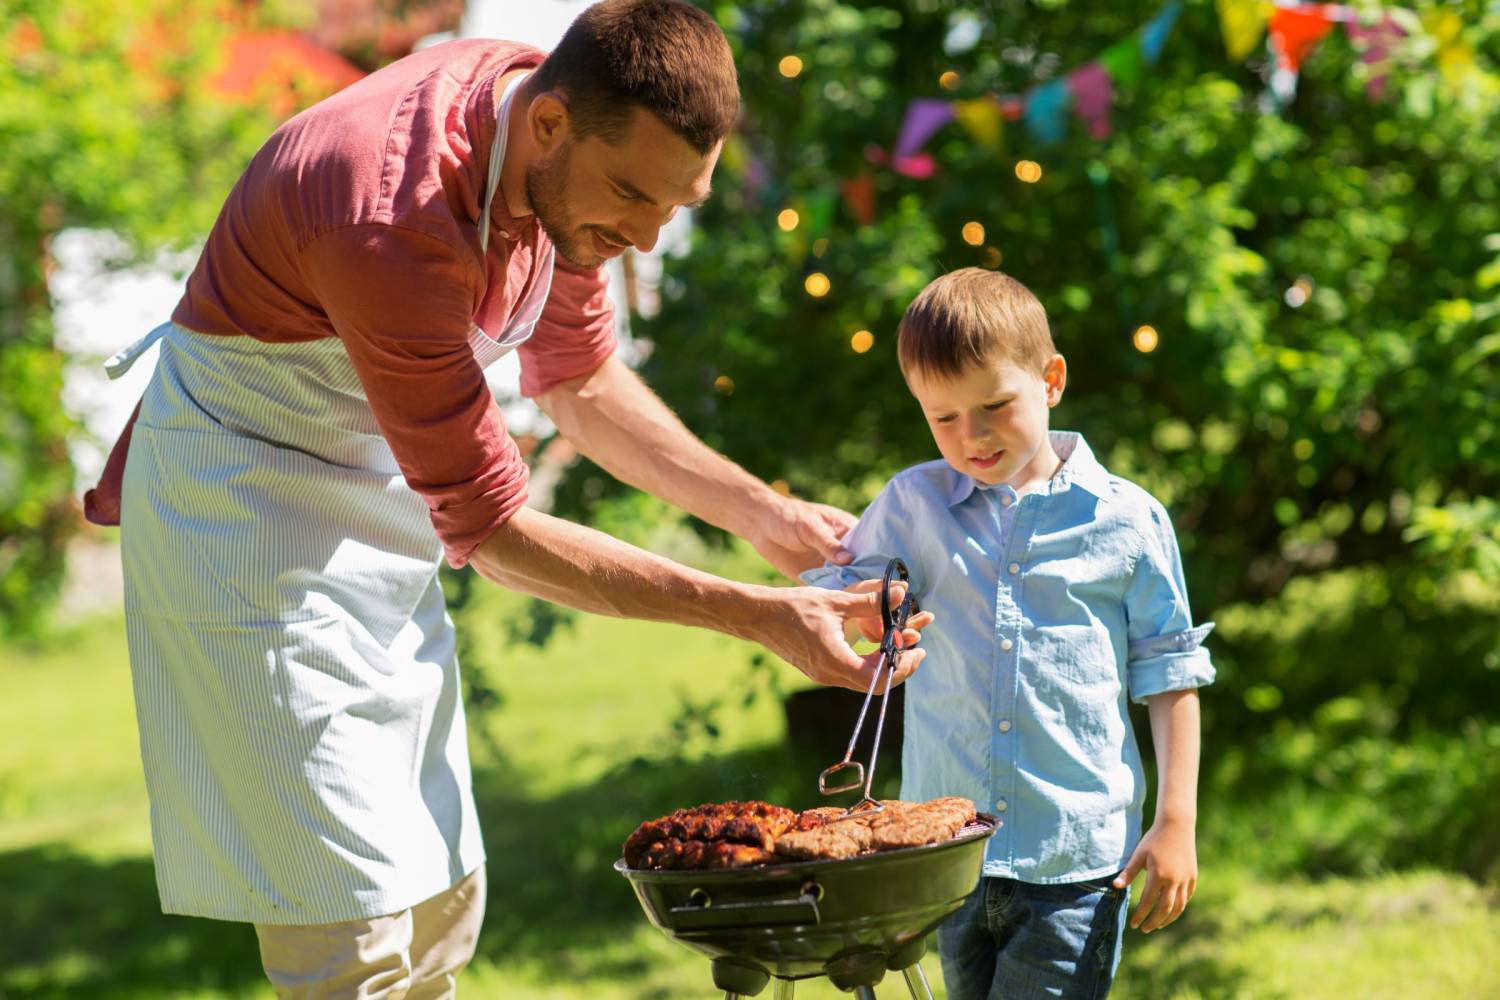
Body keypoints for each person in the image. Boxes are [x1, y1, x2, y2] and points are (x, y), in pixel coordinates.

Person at [82, 1, 928, 996]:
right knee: (351, 931)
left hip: (381, 501)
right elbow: (491, 527)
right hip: (249, 518)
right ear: (550, 126)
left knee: (442, 894)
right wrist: (759, 614)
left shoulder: (556, 162)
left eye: (675, 205)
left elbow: (579, 380)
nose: (648, 238)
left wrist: (765, 516)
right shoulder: (390, 217)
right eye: (631, 196)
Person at [802, 268, 1214, 999]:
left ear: (1051, 379)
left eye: (995, 405)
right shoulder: (911, 506)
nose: (973, 436)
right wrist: (856, 607)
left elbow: (1170, 672)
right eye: (944, 418)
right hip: (947, 852)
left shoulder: (1126, 520)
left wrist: (1176, 819)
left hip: (1076, 863)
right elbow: (829, 603)